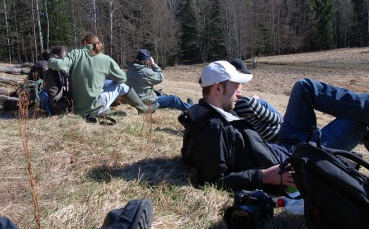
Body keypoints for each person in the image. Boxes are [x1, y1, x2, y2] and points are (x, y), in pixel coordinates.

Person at [179, 60, 368, 192]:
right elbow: (214, 180)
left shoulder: (207, 112)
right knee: (359, 121)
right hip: (298, 157)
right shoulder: (213, 128)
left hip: (283, 145)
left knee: (304, 87)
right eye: (236, 85)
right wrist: (264, 176)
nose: (240, 91)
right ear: (218, 88)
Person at [48, 33, 158, 120]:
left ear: (85, 42)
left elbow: (59, 65)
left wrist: (50, 59)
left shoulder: (76, 54)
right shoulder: (105, 59)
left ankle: (105, 110)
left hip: (78, 108)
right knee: (121, 86)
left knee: (105, 84)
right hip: (96, 106)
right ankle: (143, 109)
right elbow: (122, 79)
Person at [230, 59, 283, 142]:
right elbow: (277, 119)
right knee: (262, 102)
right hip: (275, 136)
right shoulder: (247, 103)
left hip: (261, 139)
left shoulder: (227, 107)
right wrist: (254, 102)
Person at [126, 49, 193, 112]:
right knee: (174, 98)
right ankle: (190, 108)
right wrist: (153, 64)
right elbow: (160, 77)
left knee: (165, 96)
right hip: (147, 102)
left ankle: (186, 105)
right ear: (147, 60)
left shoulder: (130, 70)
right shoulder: (144, 72)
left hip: (134, 100)